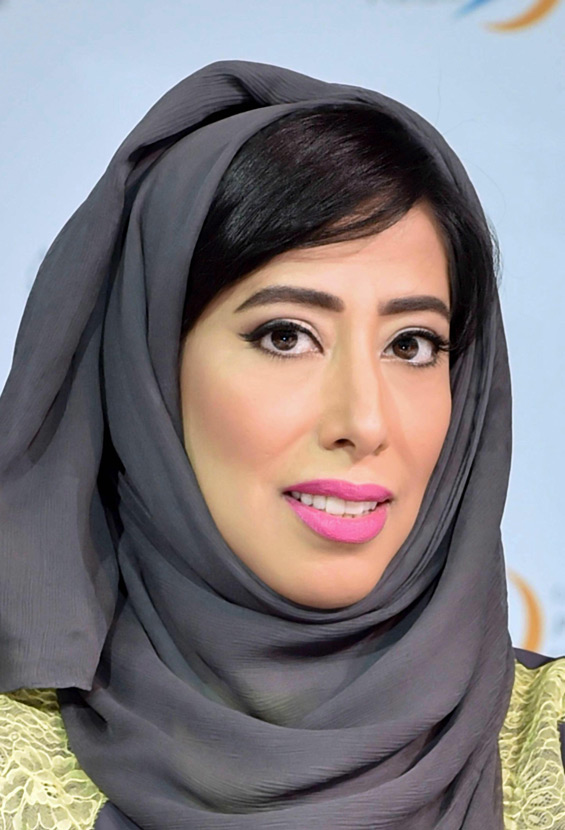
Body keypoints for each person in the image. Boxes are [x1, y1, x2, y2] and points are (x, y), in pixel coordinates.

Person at [0, 59, 563, 830]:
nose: (364, 422)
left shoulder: (548, 745)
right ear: (146, 375)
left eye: (410, 345)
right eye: (286, 336)